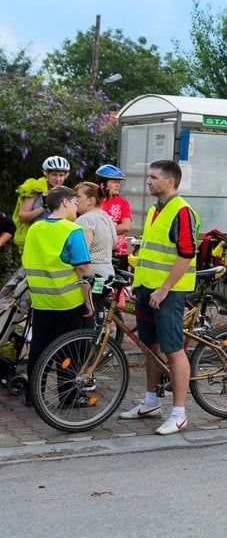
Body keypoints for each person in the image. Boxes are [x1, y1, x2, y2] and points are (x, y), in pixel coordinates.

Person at [119, 160, 199, 435]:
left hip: (169, 292)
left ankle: (179, 413)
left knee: (173, 350)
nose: (148, 181)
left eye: (153, 177)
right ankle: (152, 401)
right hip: (147, 289)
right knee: (150, 346)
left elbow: (186, 255)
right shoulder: (156, 209)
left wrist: (165, 288)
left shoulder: (182, 211)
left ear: (169, 181)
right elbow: (150, 253)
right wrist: (136, 283)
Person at [21, 186, 94, 407]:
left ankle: (33, 395)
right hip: (68, 300)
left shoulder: (35, 229)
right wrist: (89, 301)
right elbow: (82, 268)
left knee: (39, 349)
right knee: (68, 350)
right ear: (64, 203)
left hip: (41, 299)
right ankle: (68, 396)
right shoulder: (72, 231)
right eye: (74, 202)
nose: (76, 207)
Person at [13, 155, 71, 252]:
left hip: (56, 241)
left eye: (61, 175)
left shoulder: (66, 194)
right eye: (54, 174)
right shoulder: (36, 190)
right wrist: (44, 206)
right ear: (46, 174)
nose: (58, 179)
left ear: (65, 176)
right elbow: (22, 217)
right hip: (36, 240)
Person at [74, 182, 117, 281]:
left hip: (91, 276)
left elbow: (81, 256)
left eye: (78, 196)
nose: (75, 200)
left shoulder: (85, 219)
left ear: (91, 200)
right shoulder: (106, 217)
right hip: (108, 273)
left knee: (90, 297)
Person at [96, 164, 132, 272]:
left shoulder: (123, 203)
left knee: (119, 287)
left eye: (119, 182)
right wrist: (114, 226)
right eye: (114, 182)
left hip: (119, 253)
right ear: (102, 184)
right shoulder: (93, 202)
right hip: (98, 254)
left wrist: (100, 230)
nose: (118, 185)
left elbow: (126, 226)